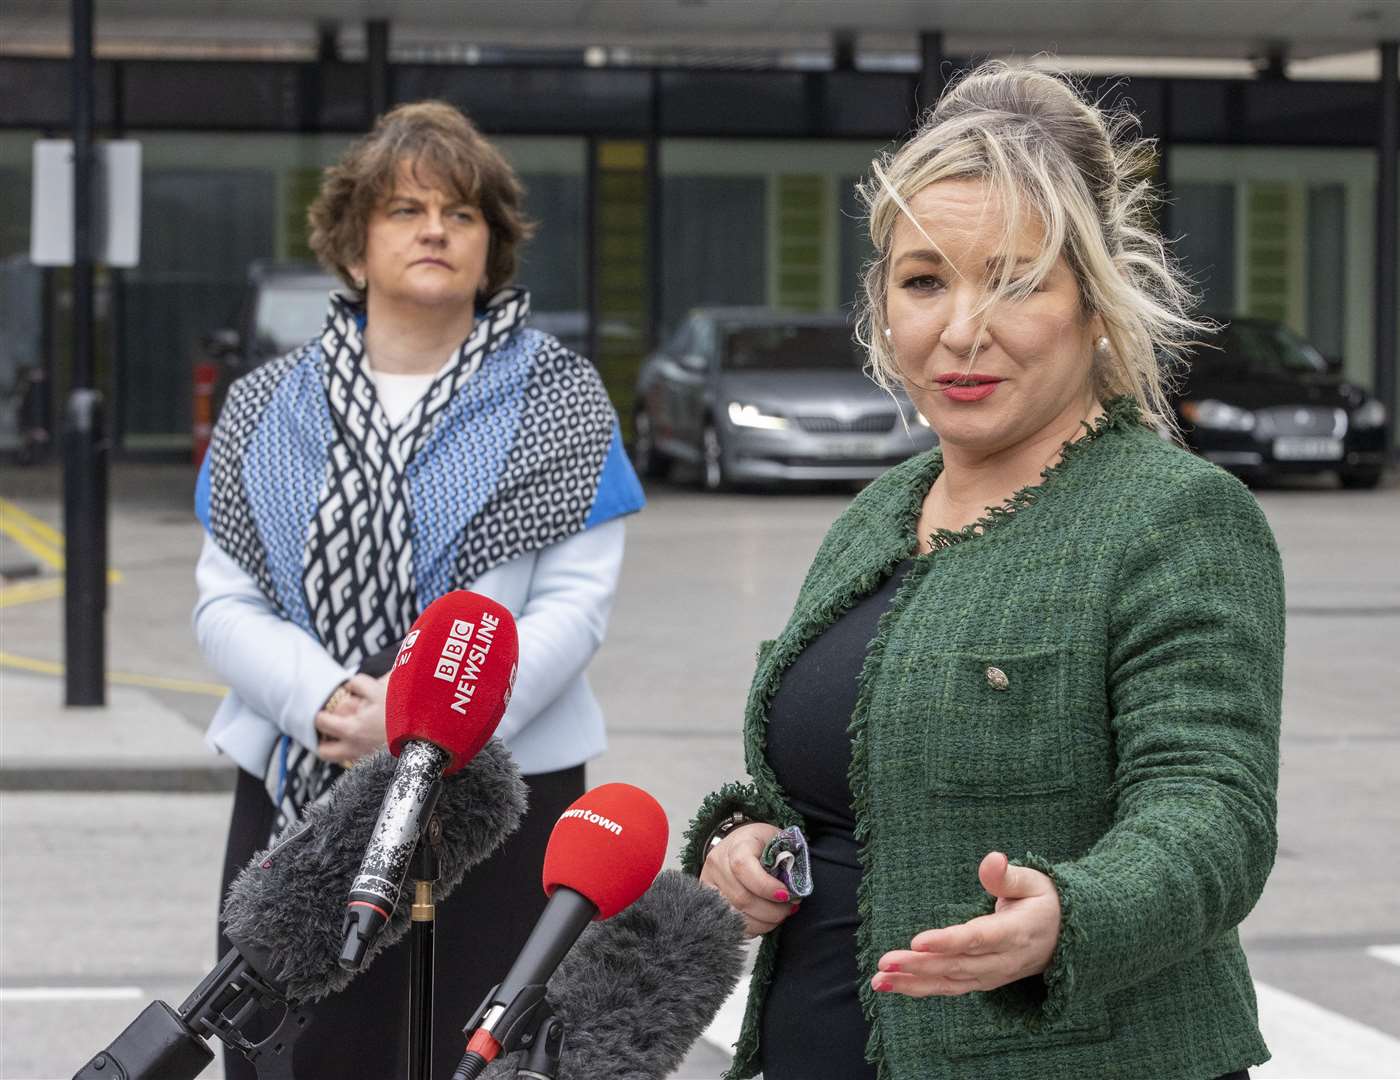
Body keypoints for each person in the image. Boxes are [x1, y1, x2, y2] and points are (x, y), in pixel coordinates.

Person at [685, 62, 1283, 1080]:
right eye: (924, 282)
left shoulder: (1176, 515)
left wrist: (1072, 915)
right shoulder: (876, 514)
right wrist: (747, 840)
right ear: (883, 306)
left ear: (1095, 304)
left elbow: (1212, 812)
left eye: (1014, 281)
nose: (962, 330)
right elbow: (844, 780)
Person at [192, 100, 643, 1079]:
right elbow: (225, 604)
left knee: (481, 1053)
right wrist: (327, 703)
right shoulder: (266, 406)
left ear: (492, 250)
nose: (435, 229)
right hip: (303, 789)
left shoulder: (561, 400)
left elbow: (574, 607)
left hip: (505, 794)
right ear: (354, 249)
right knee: (300, 1055)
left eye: (462, 213)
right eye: (404, 210)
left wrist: (426, 725)